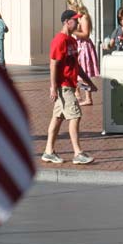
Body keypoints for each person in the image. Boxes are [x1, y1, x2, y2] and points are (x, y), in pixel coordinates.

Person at [41, 10, 97, 165]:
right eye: (75, 20)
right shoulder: (59, 40)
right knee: (75, 116)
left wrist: (89, 82)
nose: (78, 23)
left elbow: (76, 66)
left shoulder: (72, 40)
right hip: (63, 86)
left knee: (58, 118)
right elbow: (53, 64)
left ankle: (48, 152)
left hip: (70, 86)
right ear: (66, 22)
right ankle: (78, 153)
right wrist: (53, 87)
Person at [68, 0, 99, 106]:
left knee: (84, 72)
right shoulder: (76, 17)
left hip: (84, 47)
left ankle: (88, 98)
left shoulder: (84, 17)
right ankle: (77, 94)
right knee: (75, 71)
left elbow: (86, 34)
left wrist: (73, 31)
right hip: (78, 45)